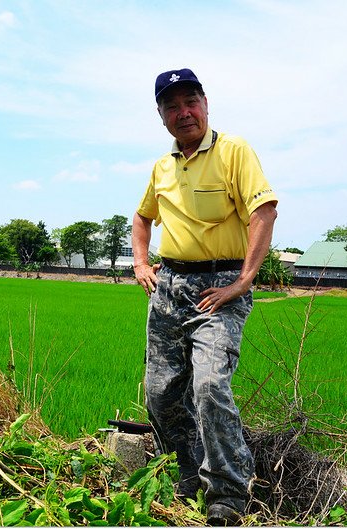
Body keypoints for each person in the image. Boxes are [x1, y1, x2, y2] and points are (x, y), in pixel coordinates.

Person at [131, 68, 278, 526]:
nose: (183, 113)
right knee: (160, 393)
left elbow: (264, 210)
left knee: (210, 386)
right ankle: (187, 475)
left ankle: (230, 492)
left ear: (206, 103)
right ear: (161, 117)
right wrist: (140, 263)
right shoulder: (162, 166)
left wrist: (244, 281)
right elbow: (141, 219)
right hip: (170, 288)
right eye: (171, 107)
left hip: (219, 288)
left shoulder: (234, 151)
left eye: (190, 102)